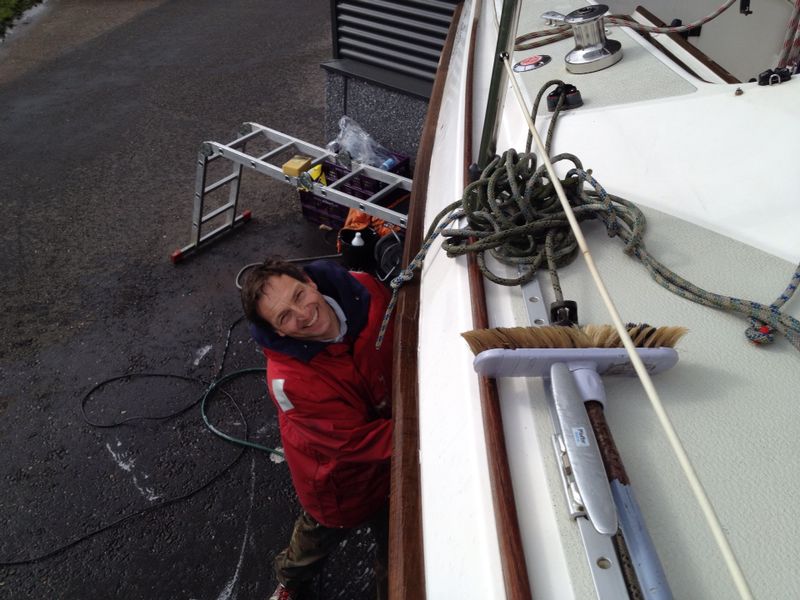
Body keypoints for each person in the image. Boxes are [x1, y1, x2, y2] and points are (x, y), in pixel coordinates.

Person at [240, 257, 394, 600]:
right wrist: (427, 431)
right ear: (278, 332)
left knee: (396, 547)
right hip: (340, 480)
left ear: (310, 282)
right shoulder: (289, 381)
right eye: (284, 317)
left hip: (394, 448)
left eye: (299, 295)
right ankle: (290, 580)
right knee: (318, 535)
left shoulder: (366, 290)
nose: (304, 314)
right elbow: (353, 444)